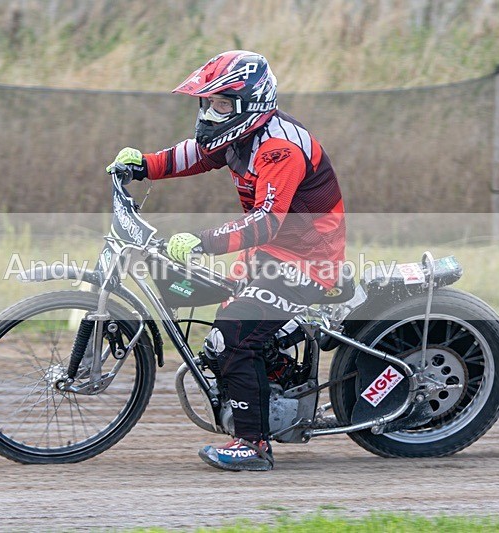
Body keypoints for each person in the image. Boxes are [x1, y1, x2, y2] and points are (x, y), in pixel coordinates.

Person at [107, 50, 346, 471]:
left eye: (219, 104)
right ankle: (276, 387)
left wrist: (202, 242)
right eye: (207, 103)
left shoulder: (279, 149)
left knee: (236, 333)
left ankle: (254, 445)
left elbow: (267, 222)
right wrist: (143, 164)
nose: (209, 113)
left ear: (247, 105)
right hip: (272, 251)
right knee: (219, 345)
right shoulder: (240, 135)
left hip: (306, 257)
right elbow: (195, 155)